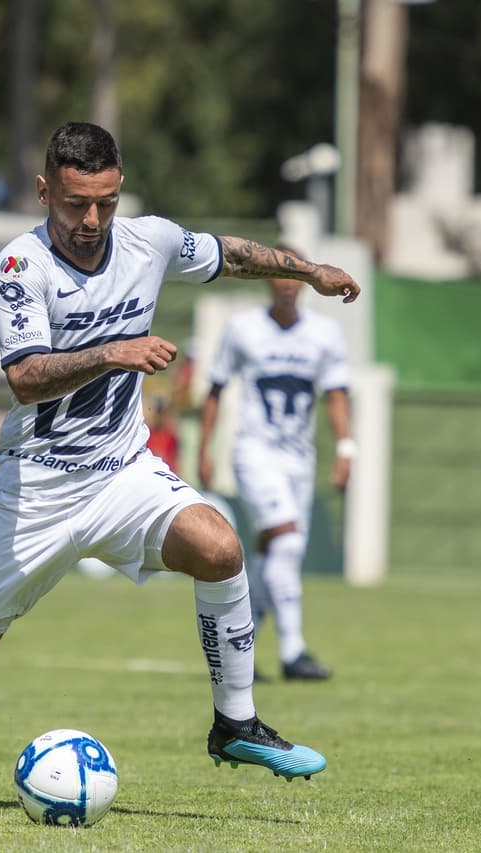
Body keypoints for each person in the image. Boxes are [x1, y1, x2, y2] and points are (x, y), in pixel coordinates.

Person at [0, 122, 359, 809]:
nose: (91, 220)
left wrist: (308, 271)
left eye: (105, 203)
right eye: (75, 202)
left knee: (220, 547)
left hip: (122, 473)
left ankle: (235, 723)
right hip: (35, 488)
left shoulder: (149, 241)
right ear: (44, 190)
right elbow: (26, 377)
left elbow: (229, 253)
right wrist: (114, 351)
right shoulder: (21, 265)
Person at [197, 248, 352, 681]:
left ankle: (236, 650)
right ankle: (293, 652)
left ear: (303, 282)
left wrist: (346, 449)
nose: (286, 285)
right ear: (266, 279)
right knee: (286, 543)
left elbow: (337, 394)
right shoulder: (242, 329)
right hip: (255, 453)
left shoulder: (325, 334)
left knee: (277, 555)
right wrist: (204, 449)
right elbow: (215, 389)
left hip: (299, 459)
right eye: (279, 275)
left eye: (293, 277)